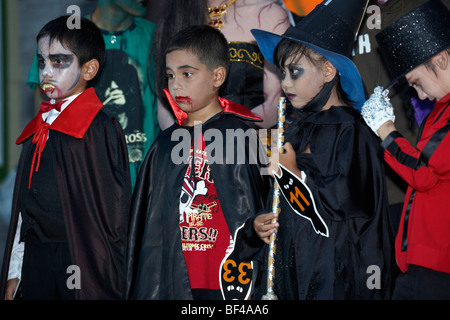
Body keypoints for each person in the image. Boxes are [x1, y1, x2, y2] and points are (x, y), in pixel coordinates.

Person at [251, 0, 395, 299]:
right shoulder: (294, 128)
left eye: (295, 72)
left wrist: (295, 175)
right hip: (294, 267)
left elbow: (348, 200)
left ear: (328, 71)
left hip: (335, 273)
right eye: (283, 73)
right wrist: (264, 221)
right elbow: (282, 201)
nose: (285, 83)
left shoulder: (353, 131)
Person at [126, 25, 271, 300]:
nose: (175, 85)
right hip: (175, 282)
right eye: (169, 76)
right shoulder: (164, 144)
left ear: (217, 76)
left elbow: (260, 209)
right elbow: (150, 234)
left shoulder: (243, 136)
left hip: (230, 282)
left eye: (187, 74)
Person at [0, 16, 131, 300]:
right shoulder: (42, 122)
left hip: (79, 261)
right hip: (36, 260)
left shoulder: (98, 127)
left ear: (89, 69)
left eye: (59, 62)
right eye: (42, 61)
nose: (46, 72)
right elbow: (24, 208)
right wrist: (15, 269)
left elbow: (111, 218)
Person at [361, 0, 450, 299]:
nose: (419, 94)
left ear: (439, 60)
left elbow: (422, 174)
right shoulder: (440, 110)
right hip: (423, 258)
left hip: (437, 263)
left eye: (416, 83)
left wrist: (386, 130)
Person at [27, 0, 159, 188]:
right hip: (82, 184)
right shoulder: (66, 38)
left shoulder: (158, 37)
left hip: (145, 184)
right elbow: (43, 110)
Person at [154, 0, 290, 130]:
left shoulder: (268, 14)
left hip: (253, 142)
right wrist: (183, 139)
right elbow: (163, 101)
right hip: (187, 145)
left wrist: (225, 135)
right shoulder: (176, 17)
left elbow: (276, 102)